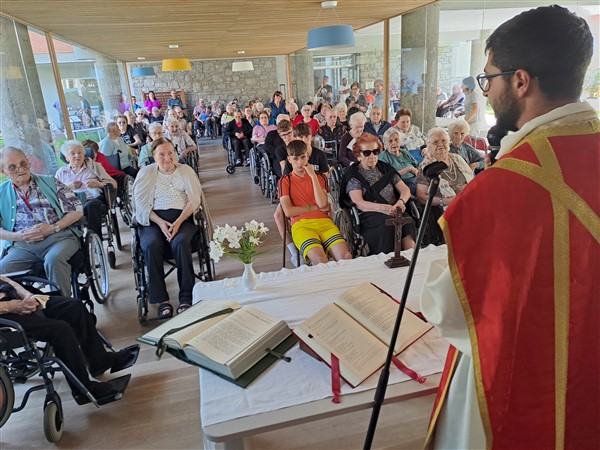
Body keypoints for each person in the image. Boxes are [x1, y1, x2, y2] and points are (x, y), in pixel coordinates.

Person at [421, 6, 599, 449]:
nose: (486, 90)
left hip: (520, 389)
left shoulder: (508, 185)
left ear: (520, 81)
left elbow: (452, 311)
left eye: (488, 78)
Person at [0, 274, 138, 405]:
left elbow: (4, 279)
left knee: (74, 307)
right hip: (4, 314)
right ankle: (83, 389)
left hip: (9, 297)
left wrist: (25, 293)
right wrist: (11, 306)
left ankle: (100, 361)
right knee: (59, 330)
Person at [133, 138, 209, 319]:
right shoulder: (145, 174)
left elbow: (194, 200)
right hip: (153, 221)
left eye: (170, 153)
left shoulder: (186, 171)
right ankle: (162, 300)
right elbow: (141, 205)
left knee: (181, 242)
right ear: (153, 156)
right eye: (162, 154)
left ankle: (186, 297)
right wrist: (161, 223)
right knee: (151, 245)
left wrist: (179, 221)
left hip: (183, 218)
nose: (167, 158)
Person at [0, 147, 83, 296]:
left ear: (29, 163)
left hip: (59, 238)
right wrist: (17, 236)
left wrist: (53, 228)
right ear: (3, 171)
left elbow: (76, 210)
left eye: (23, 164)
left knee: (54, 260)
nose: (20, 169)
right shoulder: (1, 193)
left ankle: (63, 307)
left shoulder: (51, 182)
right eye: (12, 167)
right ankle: (24, 311)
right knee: (3, 270)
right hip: (22, 246)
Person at [279, 140, 351, 265]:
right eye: (295, 159)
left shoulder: (319, 177)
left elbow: (322, 204)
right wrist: (314, 208)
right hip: (301, 226)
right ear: (289, 160)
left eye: (303, 157)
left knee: (346, 257)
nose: (300, 162)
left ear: (308, 156)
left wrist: (312, 176)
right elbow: (288, 211)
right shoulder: (285, 181)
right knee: (320, 260)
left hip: (325, 223)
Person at [340, 133, 415, 254]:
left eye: (375, 151)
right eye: (367, 153)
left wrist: (400, 202)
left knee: (407, 222)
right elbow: (358, 202)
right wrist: (383, 208)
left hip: (394, 209)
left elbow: (405, 190)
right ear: (358, 156)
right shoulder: (353, 174)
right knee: (388, 226)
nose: (372, 156)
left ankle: (411, 257)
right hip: (370, 215)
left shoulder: (385, 168)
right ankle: (388, 259)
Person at [415, 127, 473, 246]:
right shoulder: (426, 167)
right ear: (428, 146)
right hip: (445, 209)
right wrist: (445, 201)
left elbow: (473, 182)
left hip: (469, 201)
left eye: (444, 141)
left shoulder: (457, 158)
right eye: (435, 142)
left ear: (449, 143)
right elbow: (421, 196)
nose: (440, 145)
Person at [55, 140, 117, 237]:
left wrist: (99, 184)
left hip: (92, 200)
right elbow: (55, 192)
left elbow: (113, 184)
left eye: (80, 153)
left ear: (84, 154)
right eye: (73, 153)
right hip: (71, 203)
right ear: (67, 158)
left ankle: (95, 238)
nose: (77, 156)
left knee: (90, 206)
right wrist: (69, 187)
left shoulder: (95, 167)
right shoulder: (61, 172)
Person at [378, 127, 419, 195]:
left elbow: (417, 165)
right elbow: (387, 177)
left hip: (416, 180)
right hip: (400, 184)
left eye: (396, 140)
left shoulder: (404, 152)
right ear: (385, 144)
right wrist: (408, 169)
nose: (394, 143)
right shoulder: (383, 157)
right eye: (390, 141)